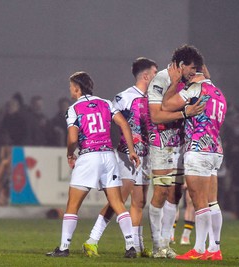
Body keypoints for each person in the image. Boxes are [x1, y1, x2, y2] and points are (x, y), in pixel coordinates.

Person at [46, 71, 140, 258]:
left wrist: (69, 153)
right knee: (118, 203)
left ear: (78, 88)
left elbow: (73, 138)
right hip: (108, 156)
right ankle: (130, 246)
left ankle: (64, 248)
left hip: (89, 156)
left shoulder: (74, 109)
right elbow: (124, 125)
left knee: (73, 204)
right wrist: (131, 150)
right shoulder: (106, 103)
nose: (70, 89)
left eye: (71, 86)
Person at [82, 58, 157, 258]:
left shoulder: (153, 98)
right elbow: (110, 122)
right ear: (146, 75)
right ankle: (92, 240)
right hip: (127, 155)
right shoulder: (125, 97)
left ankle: (139, 246)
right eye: (155, 73)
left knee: (139, 202)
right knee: (119, 200)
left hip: (146, 156)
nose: (158, 77)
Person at [162, 66, 227, 261]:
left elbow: (166, 106)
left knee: (198, 203)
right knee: (212, 201)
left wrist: (174, 83)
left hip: (198, 148)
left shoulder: (195, 88)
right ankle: (215, 249)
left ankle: (198, 250)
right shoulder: (218, 92)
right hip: (215, 149)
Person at [147, 44, 205, 258]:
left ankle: (165, 243)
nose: (194, 73)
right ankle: (156, 245)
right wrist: (185, 113)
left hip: (180, 143)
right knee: (161, 192)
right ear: (181, 65)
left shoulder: (186, 81)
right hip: (162, 144)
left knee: (175, 195)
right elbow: (156, 116)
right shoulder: (161, 79)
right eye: (192, 68)